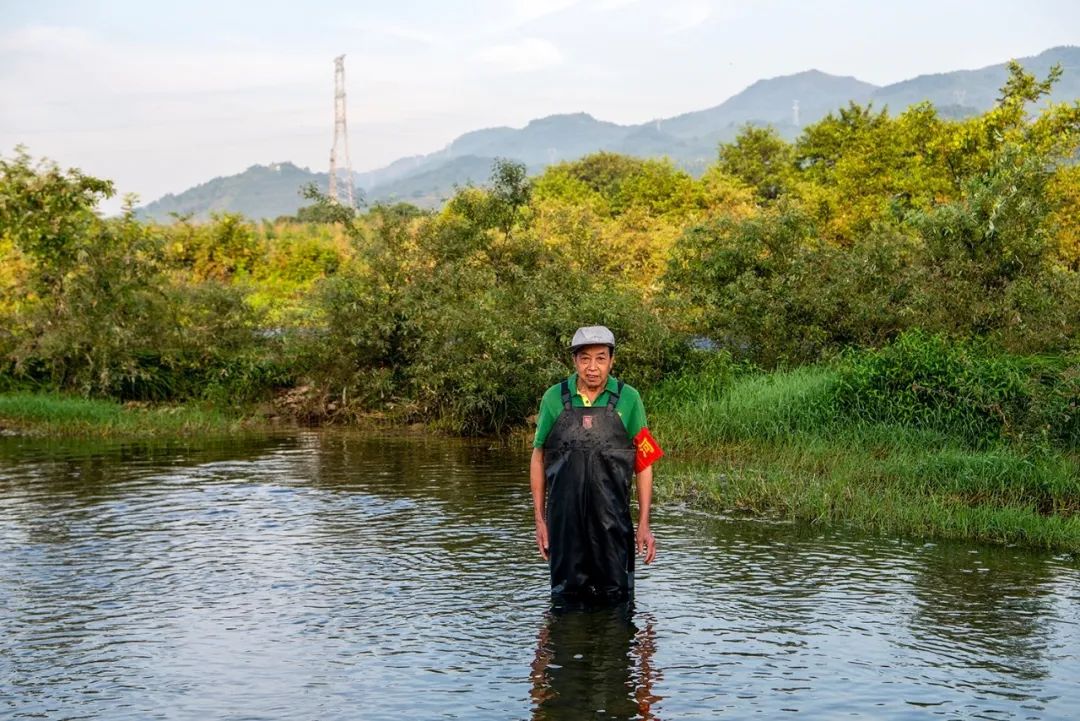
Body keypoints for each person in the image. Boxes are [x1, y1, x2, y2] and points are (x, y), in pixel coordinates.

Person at [530, 325, 664, 603]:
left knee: (617, 604)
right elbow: (538, 456)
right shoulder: (554, 398)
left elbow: (645, 462)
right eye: (585, 358)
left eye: (601, 358)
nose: (592, 367)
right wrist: (540, 521)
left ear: (612, 361)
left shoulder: (630, 399)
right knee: (564, 605)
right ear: (575, 361)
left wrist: (644, 524)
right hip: (564, 524)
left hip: (613, 523)